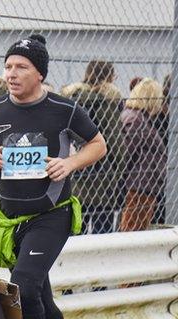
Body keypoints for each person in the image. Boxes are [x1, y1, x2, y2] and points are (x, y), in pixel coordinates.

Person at [0, 34, 107, 319]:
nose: (11, 74)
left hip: (52, 215)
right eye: (8, 66)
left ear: (40, 74)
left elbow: (98, 145)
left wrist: (69, 163)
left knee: (24, 285)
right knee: (39, 297)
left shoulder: (63, 110)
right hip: (10, 219)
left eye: (21, 67)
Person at [61, 60, 123, 233]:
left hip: (71, 174)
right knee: (101, 231)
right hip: (102, 178)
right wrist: (119, 172)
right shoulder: (108, 103)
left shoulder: (69, 101)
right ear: (110, 77)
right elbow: (115, 143)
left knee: (74, 229)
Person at [118, 78, 166, 232]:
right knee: (133, 230)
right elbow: (127, 153)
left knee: (135, 228)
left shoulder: (137, 117)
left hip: (143, 183)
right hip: (140, 185)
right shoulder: (136, 119)